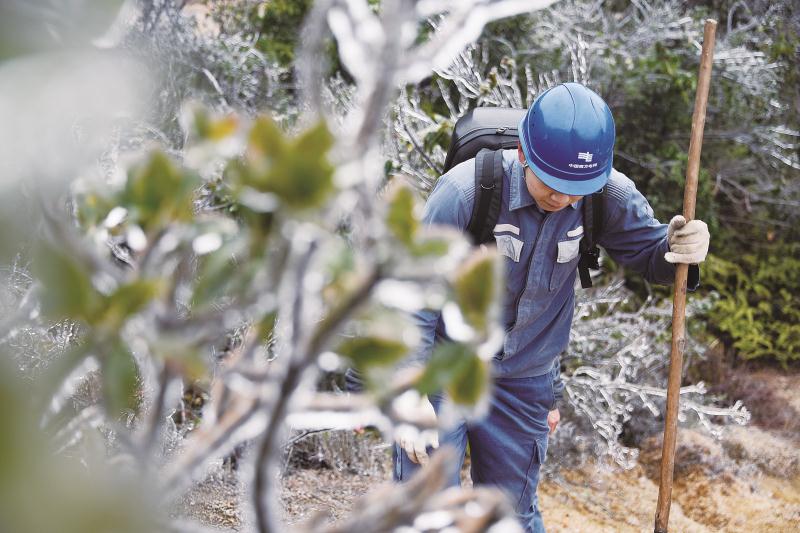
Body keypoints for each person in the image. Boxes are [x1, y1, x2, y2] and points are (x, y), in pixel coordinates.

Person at [393, 82, 710, 533]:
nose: (563, 198)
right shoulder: (464, 192)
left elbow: (655, 257)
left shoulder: (605, 196)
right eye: (553, 184)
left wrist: (680, 247)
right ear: (524, 153)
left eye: (576, 188)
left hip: (525, 380)